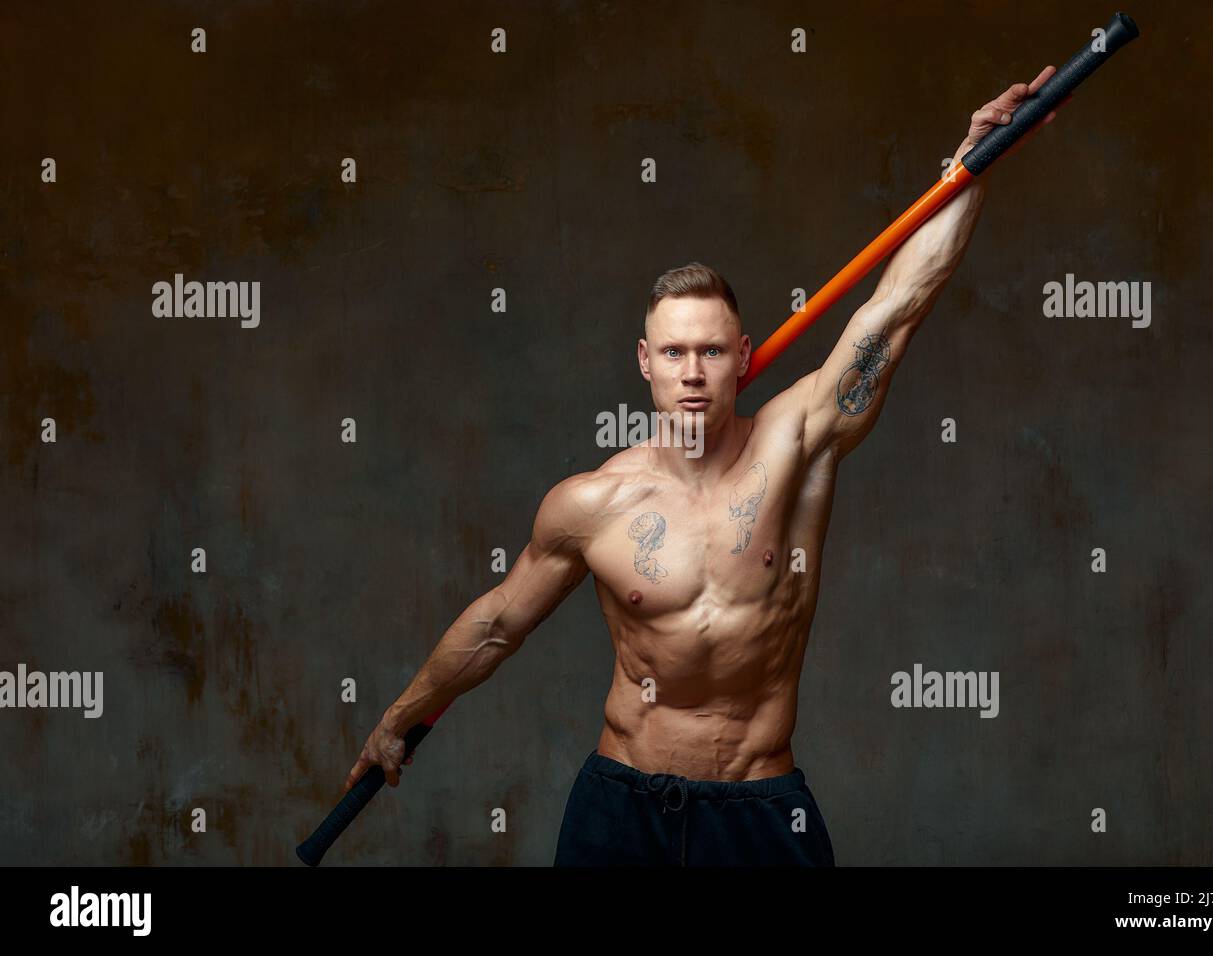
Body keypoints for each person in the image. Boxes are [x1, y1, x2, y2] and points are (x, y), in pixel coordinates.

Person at [345, 67, 1063, 866]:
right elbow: (496, 625)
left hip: (758, 808)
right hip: (620, 807)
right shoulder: (593, 503)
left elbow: (897, 305)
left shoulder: (797, 444)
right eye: (676, 353)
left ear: (742, 358)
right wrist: (397, 719)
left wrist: (971, 163)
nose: (694, 371)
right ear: (645, 364)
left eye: (712, 351)